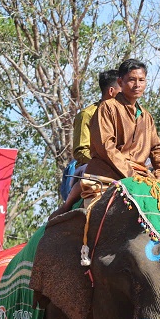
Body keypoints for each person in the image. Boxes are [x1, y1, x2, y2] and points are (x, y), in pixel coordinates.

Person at [85, 58, 160, 183]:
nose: (137, 85)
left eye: (141, 80)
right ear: (120, 82)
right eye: (132, 80)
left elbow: (157, 149)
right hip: (109, 175)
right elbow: (106, 147)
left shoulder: (146, 116)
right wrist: (132, 175)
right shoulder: (107, 107)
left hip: (142, 177)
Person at [52, 69, 122, 215]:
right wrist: (107, 162)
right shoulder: (87, 115)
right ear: (111, 91)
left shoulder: (127, 116)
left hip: (123, 166)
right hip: (92, 167)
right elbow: (80, 151)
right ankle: (67, 207)